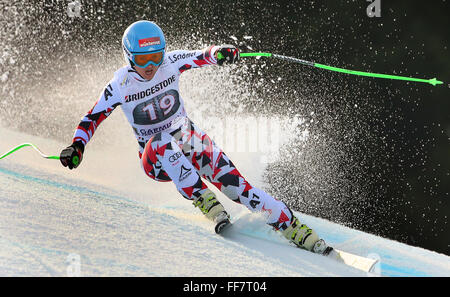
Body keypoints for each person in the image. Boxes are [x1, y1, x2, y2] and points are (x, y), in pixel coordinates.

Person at [60, 20, 331, 255]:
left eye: (156, 56)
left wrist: (221, 53)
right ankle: (204, 199)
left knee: (240, 188)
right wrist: (77, 147)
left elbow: (202, 56)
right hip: (156, 159)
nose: (151, 66)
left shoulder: (170, 63)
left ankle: (296, 230)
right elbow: (91, 119)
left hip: (189, 140)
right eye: (143, 60)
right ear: (129, 57)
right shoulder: (119, 85)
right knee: (161, 140)